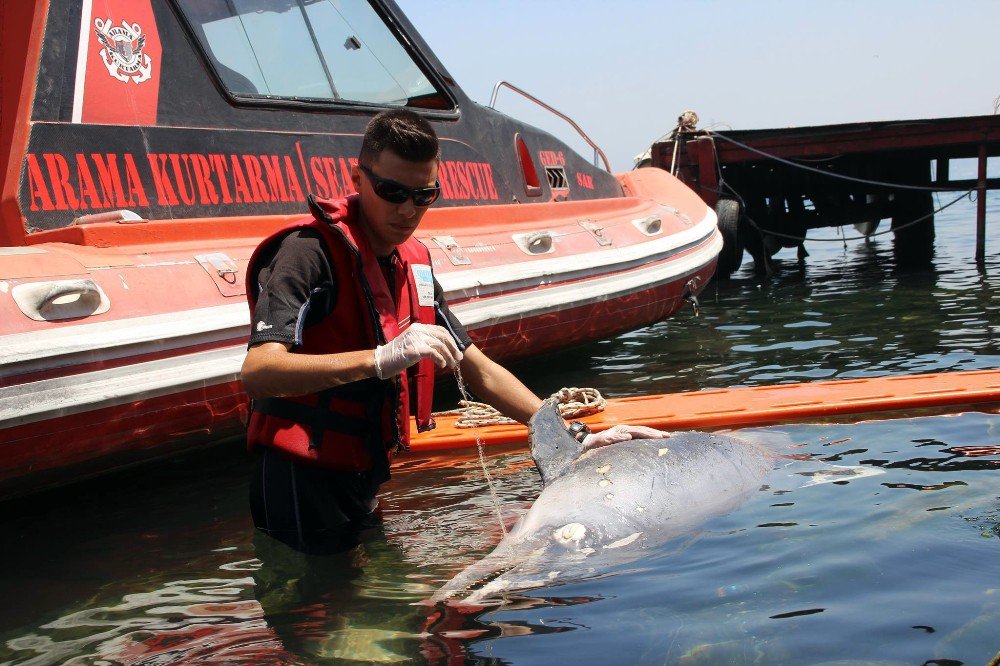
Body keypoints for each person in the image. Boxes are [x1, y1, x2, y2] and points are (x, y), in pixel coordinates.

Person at [241, 109, 666, 554]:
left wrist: (571, 436)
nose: (407, 210)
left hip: (362, 476)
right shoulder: (307, 254)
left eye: (424, 195)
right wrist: (380, 358)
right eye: (392, 192)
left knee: (378, 605)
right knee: (322, 613)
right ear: (357, 179)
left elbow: (478, 369)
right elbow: (260, 370)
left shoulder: (413, 264)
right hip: (297, 479)